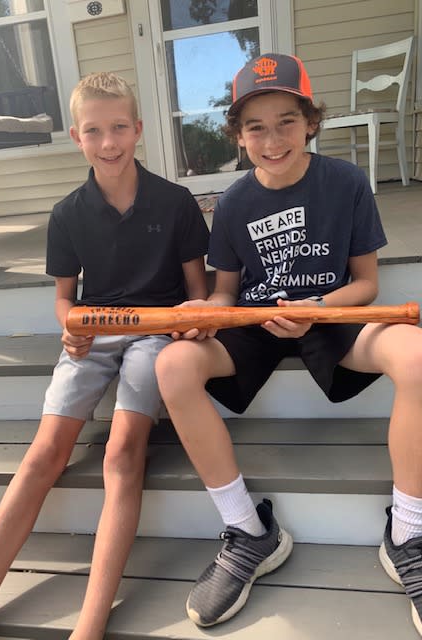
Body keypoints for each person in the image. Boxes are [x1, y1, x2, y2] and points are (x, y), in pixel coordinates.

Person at [155, 52, 422, 633]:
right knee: (173, 365)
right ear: (238, 134)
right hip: (256, 321)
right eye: (256, 126)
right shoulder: (232, 203)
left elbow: (367, 282)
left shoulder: (347, 182)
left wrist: (317, 309)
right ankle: (250, 532)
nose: (272, 139)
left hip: (332, 313)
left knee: (418, 358)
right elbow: (228, 296)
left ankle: (407, 535)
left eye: (286, 121)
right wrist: (206, 312)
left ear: (311, 122)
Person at [0, 71, 209, 640]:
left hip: (155, 335)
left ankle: (89, 625)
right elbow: (65, 300)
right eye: (95, 131)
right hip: (94, 332)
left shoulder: (177, 201)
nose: (108, 142)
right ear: (76, 137)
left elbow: (198, 293)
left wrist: (192, 322)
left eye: (119, 128)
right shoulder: (67, 214)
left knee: (120, 453)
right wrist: (71, 330)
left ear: (138, 129)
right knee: (44, 454)